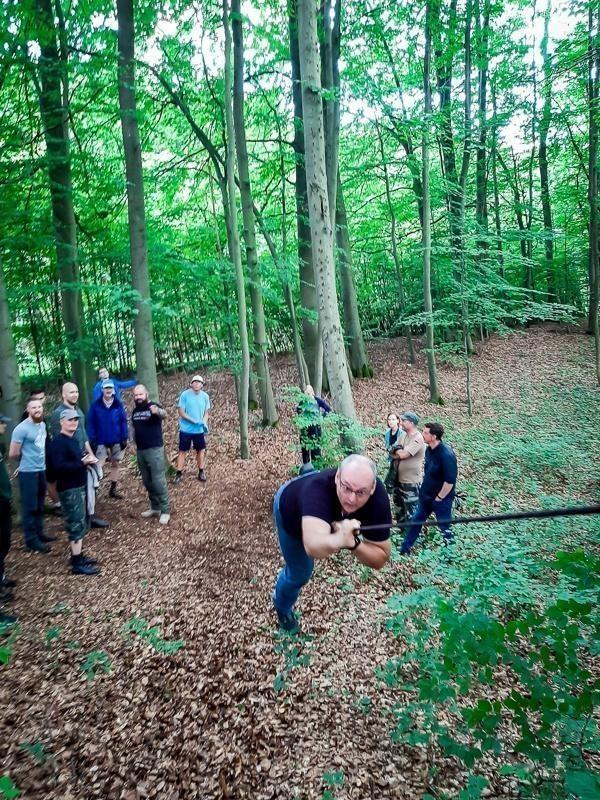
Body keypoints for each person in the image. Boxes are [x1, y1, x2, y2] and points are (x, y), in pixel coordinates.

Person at [272, 453, 392, 633]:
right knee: (300, 572)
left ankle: (308, 473)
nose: (351, 499)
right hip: (289, 509)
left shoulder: (378, 498)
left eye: (360, 492)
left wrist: (354, 544)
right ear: (337, 477)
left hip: (318, 502)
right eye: (346, 488)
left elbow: (381, 558)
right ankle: (282, 606)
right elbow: (313, 547)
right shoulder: (317, 491)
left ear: (373, 487)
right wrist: (340, 538)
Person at [48, 409, 100, 575]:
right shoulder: (58, 443)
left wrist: (86, 460)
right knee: (75, 523)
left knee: (80, 521)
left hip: (78, 486)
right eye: (70, 420)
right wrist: (82, 463)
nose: (74, 422)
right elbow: (58, 468)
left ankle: (78, 555)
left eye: (76, 419)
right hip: (69, 489)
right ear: (61, 422)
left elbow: (75, 461)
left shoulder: (73, 440)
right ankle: (77, 564)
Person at [50, 383, 108, 529]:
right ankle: (78, 523)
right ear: (63, 394)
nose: (75, 394)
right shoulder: (58, 414)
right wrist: (78, 459)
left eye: (76, 391)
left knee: (90, 488)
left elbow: (83, 434)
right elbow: (59, 440)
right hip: (72, 459)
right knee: (77, 491)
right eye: (71, 392)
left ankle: (90, 517)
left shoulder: (78, 410)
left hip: (84, 455)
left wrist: (91, 454)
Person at [400, 422, 458, 555]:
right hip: (426, 496)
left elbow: (449, 481)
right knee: (415, 522)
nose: (423, 435)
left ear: (434, 436)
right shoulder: (429, 450)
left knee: (444, 527)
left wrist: (439, 498)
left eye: (426, 433)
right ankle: (404, 549)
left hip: (441, 500)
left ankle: (450, 555)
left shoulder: (446, 455)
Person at [9, 399, 56, 552]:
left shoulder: (42, 425)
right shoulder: (21, 429)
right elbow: (13, 453)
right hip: (28, 473)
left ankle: (39, 533)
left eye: (39, 406)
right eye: (34, 407)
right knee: (30, 506)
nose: (37, 409)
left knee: (40, 504)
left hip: (41, 470)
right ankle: (31, 540)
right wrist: (26, 461)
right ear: (27, 410)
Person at [131, 384, 170, 524]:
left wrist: (157, 411)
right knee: (147, 481)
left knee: (158, 480)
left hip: (155, 450)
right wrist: (132, 442)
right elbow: (134, 428)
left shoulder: (153, 406)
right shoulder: (135, 411)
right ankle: (155, 507)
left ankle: (165, 510)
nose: (138, 397)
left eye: (140, 394)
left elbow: (165, 414)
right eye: (136, 395)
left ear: (146, 394)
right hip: (141, 450)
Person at [86, 379, 129, 499]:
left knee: (115, 464)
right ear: (102, 390)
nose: (108, 390)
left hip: (117, 439)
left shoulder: (118, 404)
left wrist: (124, 437)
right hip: (100, 440)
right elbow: (91, 423)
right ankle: (94, 488)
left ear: (113, 390)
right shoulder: (95, 405)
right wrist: (92, 439)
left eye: (110, 388)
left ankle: (113, 489)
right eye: (106, 388)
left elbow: (123, 421)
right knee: (99, 464)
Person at [173, 375, 211, 484]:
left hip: (199, 430)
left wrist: (204, 423)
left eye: (199, 382)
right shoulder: (185, 395)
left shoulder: (205, 396)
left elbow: (206, 413)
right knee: (182, 451)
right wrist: (193, 421)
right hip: (186, 429)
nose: (197, 383)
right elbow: (181, 412)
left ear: (202, 385)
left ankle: (201, 471)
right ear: (191, 384)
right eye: (195, 381)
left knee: (201, 450)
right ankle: (178, 473)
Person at [393, 411, 426, 523]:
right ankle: (402, 530)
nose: (400, 422)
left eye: (404, 421)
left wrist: (398, 451)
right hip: (398, 480)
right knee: (399, 510)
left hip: (411, 482)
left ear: (411, 423)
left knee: (412, 512)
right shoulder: (403, 436)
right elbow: (392, 451)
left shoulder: (418, 438)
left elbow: (403, 454)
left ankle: (413, 532)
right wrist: (398, 451)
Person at [0, 414, 17, 623]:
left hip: (4, 503)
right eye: (1, 422)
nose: (4, 425)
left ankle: (2, 580)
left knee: (3, 545)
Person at [297, 384, 332, 465]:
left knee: (316, 450)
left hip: (316, 428)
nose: (308, 394)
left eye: (309, 393)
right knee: (305, 449)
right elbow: (298, 410)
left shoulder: (317, 400)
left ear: (312, 392)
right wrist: (302, 419)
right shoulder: (303, 401)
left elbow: (328, 409)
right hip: (305, 428)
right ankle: (306, 466)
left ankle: (316, 466)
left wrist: (321, 418)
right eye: (306, 393)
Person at [383, 412, 404, 493]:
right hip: (392, 458)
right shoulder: (387, 432)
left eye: (393, 419)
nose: (390, 421)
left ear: (398, 421)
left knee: (394, 480)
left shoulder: (402, 433)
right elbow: (387, 446)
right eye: (389, 419)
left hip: (400, 459)